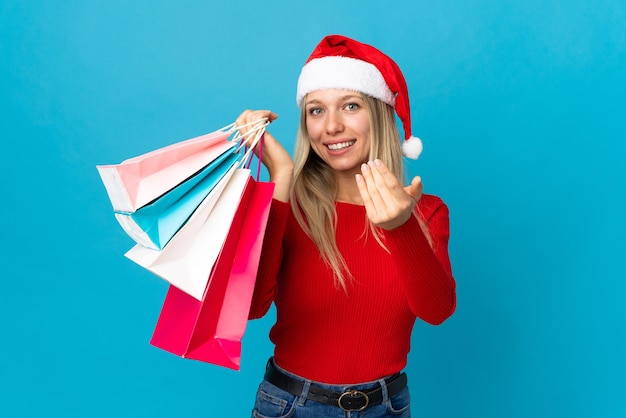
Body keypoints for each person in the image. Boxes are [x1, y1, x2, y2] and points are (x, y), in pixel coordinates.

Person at [236, 34, 456, 418]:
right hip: (291, 406)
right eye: (316, 111)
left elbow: (437, 310)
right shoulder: (288, 203)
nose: (332, 126)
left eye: (350, 106)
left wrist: (401, 226)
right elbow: (252, 306)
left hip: (386, 407)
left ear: (380, 114)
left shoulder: (427, 212)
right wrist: (281, 178)